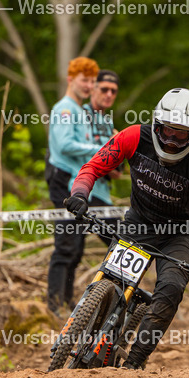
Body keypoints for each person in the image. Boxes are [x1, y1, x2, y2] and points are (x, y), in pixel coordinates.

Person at [63, 88, 189, 370]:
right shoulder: (133, 136)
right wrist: (81, 195)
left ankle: (134, 362)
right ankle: (88, 327)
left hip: (180, 234)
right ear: (156, 123)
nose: (170, 141)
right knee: (113, 279)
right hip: (139, 222)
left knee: (170, 288)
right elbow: (92, 167)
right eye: (167, 130)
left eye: (181, 134)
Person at [45, 58, 118, 316]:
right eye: (84, 80)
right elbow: (65, 145)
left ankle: (67, 305)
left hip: (79, 184)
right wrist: (102, 149)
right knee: (67, 246)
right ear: (70, 80)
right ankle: (55, 307)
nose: (88, 86)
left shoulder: (81, 112)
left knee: (75, 247)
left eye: (91, 81)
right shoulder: (65, 109)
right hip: (64, 182)